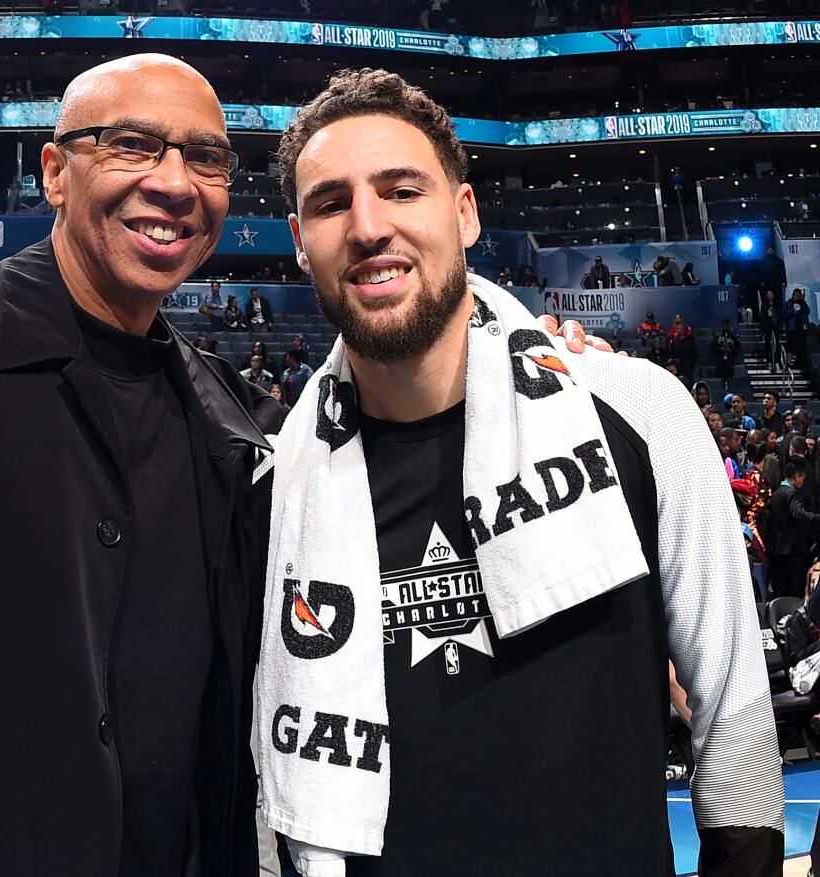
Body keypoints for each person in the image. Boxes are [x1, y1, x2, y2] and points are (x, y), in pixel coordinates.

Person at [0, 54, 591, 876]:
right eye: (132, 146)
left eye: (206, 159)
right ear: (54, 171)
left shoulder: (230, 422)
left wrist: (523, 359)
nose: (173, 183)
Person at [262, 67, 782, 876]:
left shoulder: (640, 412)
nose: (368, 226)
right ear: (300, 241)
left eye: (402, 190)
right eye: (331, 203)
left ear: (464, 214)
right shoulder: (278, 489)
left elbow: (735, 709)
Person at [769, 459, 820, 599]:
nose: (803, 481)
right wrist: (816, 518)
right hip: (791, 551)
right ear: (796, 476)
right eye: (802, 477)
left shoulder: (777, 492)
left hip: (776, 550)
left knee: (780, 590)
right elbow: (798, 512)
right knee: (794, 591)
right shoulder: (791, 494)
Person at [784, 288, 812, 378]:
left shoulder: (803, 303)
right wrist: (793, 312)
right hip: (792, 328)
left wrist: (803, 302)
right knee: (791, 346)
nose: (795, 296)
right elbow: (784, 313)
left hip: (801, 328)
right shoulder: (789, 303)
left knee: (801, 347)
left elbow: (808, 311)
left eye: (797, 295)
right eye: (794, 295)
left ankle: (801, 363)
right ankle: (788, 363)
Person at [713, 318, 741, 385]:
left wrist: (731, 350)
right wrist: (721, 349)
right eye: (724, 325)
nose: (725, 327)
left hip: (730, 361)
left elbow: (737, 348)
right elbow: (713, 347)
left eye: (727, 325)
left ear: (729, 326)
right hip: (720, 361)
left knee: (730, 380)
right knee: (719, 381)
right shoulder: (717, 336)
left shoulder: (733, 336)